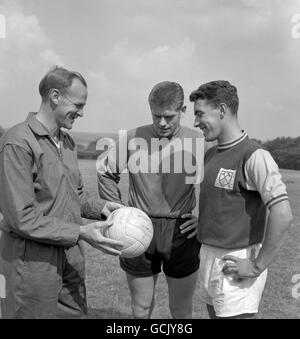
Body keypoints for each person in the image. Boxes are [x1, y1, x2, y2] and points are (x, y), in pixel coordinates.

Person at [0, 66, 124, 319]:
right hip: (32, 266)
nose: (81, 112)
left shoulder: (66, 142)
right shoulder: (18, 142)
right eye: (78, 105)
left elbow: (74, 195)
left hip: (70, 258)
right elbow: (20, 218)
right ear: (55, 96)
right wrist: (79, 232)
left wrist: (102, 208)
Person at [97, 81, 204, 319]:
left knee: (181, 311)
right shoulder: (132, 137)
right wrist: (117, 213)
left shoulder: (199, 140)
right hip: (138, 227)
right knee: (140, 309)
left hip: (181, 230)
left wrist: (203, 219)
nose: (162, 123)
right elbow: (105, 171)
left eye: (169, 116)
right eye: (156, 116)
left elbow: (215, 185)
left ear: (183, 111)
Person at [190, 80, 293, 319]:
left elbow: (283, 215)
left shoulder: (255, 155)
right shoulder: (211, 154)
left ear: (223, 110)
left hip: (236, 261)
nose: (195, 123)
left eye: (200, 114)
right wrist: (204, 223)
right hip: (208, 256)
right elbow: (224, 202)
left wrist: (256, 266)